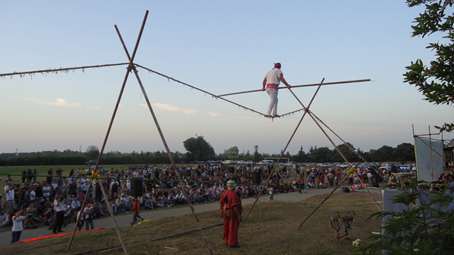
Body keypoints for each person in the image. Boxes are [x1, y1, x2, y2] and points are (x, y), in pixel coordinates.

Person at [220, 180, 242, 248]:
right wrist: (239, 215)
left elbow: (221, 203)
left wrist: (221, 212)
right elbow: (235, 206)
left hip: (225, 211)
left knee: (226, 226)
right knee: (233, 227)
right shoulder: (233, 194)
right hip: (232, 212)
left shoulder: (224, 192)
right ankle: (232, 243)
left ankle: (226, 240)